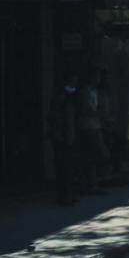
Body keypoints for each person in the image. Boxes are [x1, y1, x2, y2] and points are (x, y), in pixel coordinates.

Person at [48, 71, 79, 206]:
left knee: (67, 168)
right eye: (72, 81)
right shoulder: (62, 97)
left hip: (67, 136)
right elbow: (56, 118)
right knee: (63, 168)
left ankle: (67, 195)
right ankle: (63, 196)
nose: (74, 84)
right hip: (62, 136)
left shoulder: (68, 97)